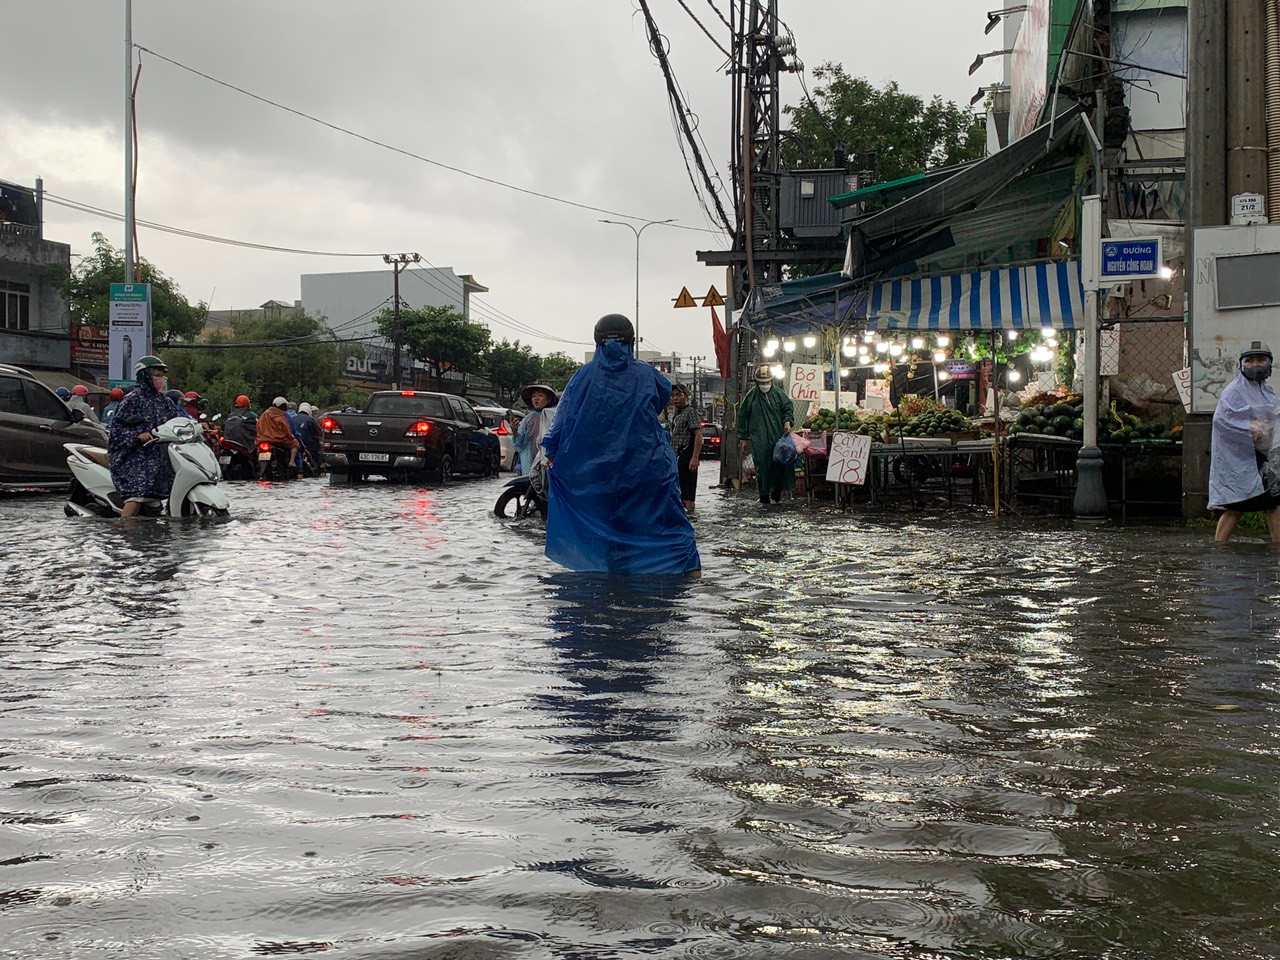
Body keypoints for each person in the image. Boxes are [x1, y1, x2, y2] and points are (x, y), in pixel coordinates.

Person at [540, 313, 701, 577]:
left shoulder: (583, 377)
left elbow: (563, 419)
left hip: (598, 474)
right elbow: (660, 401)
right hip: (646, 468)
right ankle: (690, 579)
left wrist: (554, 452)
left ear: (596, 342)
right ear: (631, 341)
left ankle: (614, 586)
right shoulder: (648, 375)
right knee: (671, 524)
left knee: (606, 533)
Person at [1209, 340, 1280, 542]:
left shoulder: (1267, 390)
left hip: (1264, 457)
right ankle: (1219, 549)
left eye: (1261, 360)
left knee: (1274, 503)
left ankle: (1277, 548)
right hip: (1240, 458)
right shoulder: (1233, 392)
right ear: (1241, 364)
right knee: (1235, 507)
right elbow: (1222, 420)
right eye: (1250, 361)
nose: (1255, 365)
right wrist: (1252, 427)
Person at [107, 355, 182, 518]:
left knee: (155, 500)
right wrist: (137, 435)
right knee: (137, 495)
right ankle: (125, 529)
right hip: (135, 458)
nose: (160, 379)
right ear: (144, 375)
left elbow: (179, 421)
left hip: (159, 458)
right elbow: (115, 432)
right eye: (156, 374)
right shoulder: (132, 400)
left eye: (162, 375)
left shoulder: (165, 401)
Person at [738, 363, 795, 505]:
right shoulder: (751, 396)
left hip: (777, 436)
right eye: (761, 382)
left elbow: (788, 408)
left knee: (779, 464)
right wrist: (744, 438)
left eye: (767, 382)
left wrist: (787, 421)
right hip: (759, 439)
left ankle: (776, 494)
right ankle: (764, 495)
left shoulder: (779, 394)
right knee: (762, 466)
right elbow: (742, 416)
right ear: (757, 382)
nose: (765, 385)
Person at [668, 382, 702, 512]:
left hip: (687, 455)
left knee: (687, 492)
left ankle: (691, 517)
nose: (675, 398)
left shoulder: (690, 412)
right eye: (673, 396)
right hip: (678, 457)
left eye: (678, 395)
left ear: (686, 396)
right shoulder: (678, 414)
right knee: (680, 489)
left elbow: (698, 435)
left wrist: (695, 458)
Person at [514, 384, 558, 478]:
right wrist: (514, 430)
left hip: (550, 459)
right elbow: (519, 442)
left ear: (549, 399)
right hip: (530, 460)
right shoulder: (528, 419)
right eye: (534, 396)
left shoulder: (555, 416)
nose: (536, 399)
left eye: (540, 395)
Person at [256, 396, 300, 472]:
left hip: (262, 440)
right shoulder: (281, 416)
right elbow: (287, 430)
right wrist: (290, 436)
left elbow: (258, 427)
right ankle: (292, 462)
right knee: (295, 444)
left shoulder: (264, 414)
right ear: (282, 406)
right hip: (279, 440)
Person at [295, 401, 324, 472]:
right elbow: (318, 433)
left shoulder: (293, 418)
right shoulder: (310, 420)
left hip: (295, 442)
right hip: (307, 444)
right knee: (319, 448)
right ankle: (318, 466)